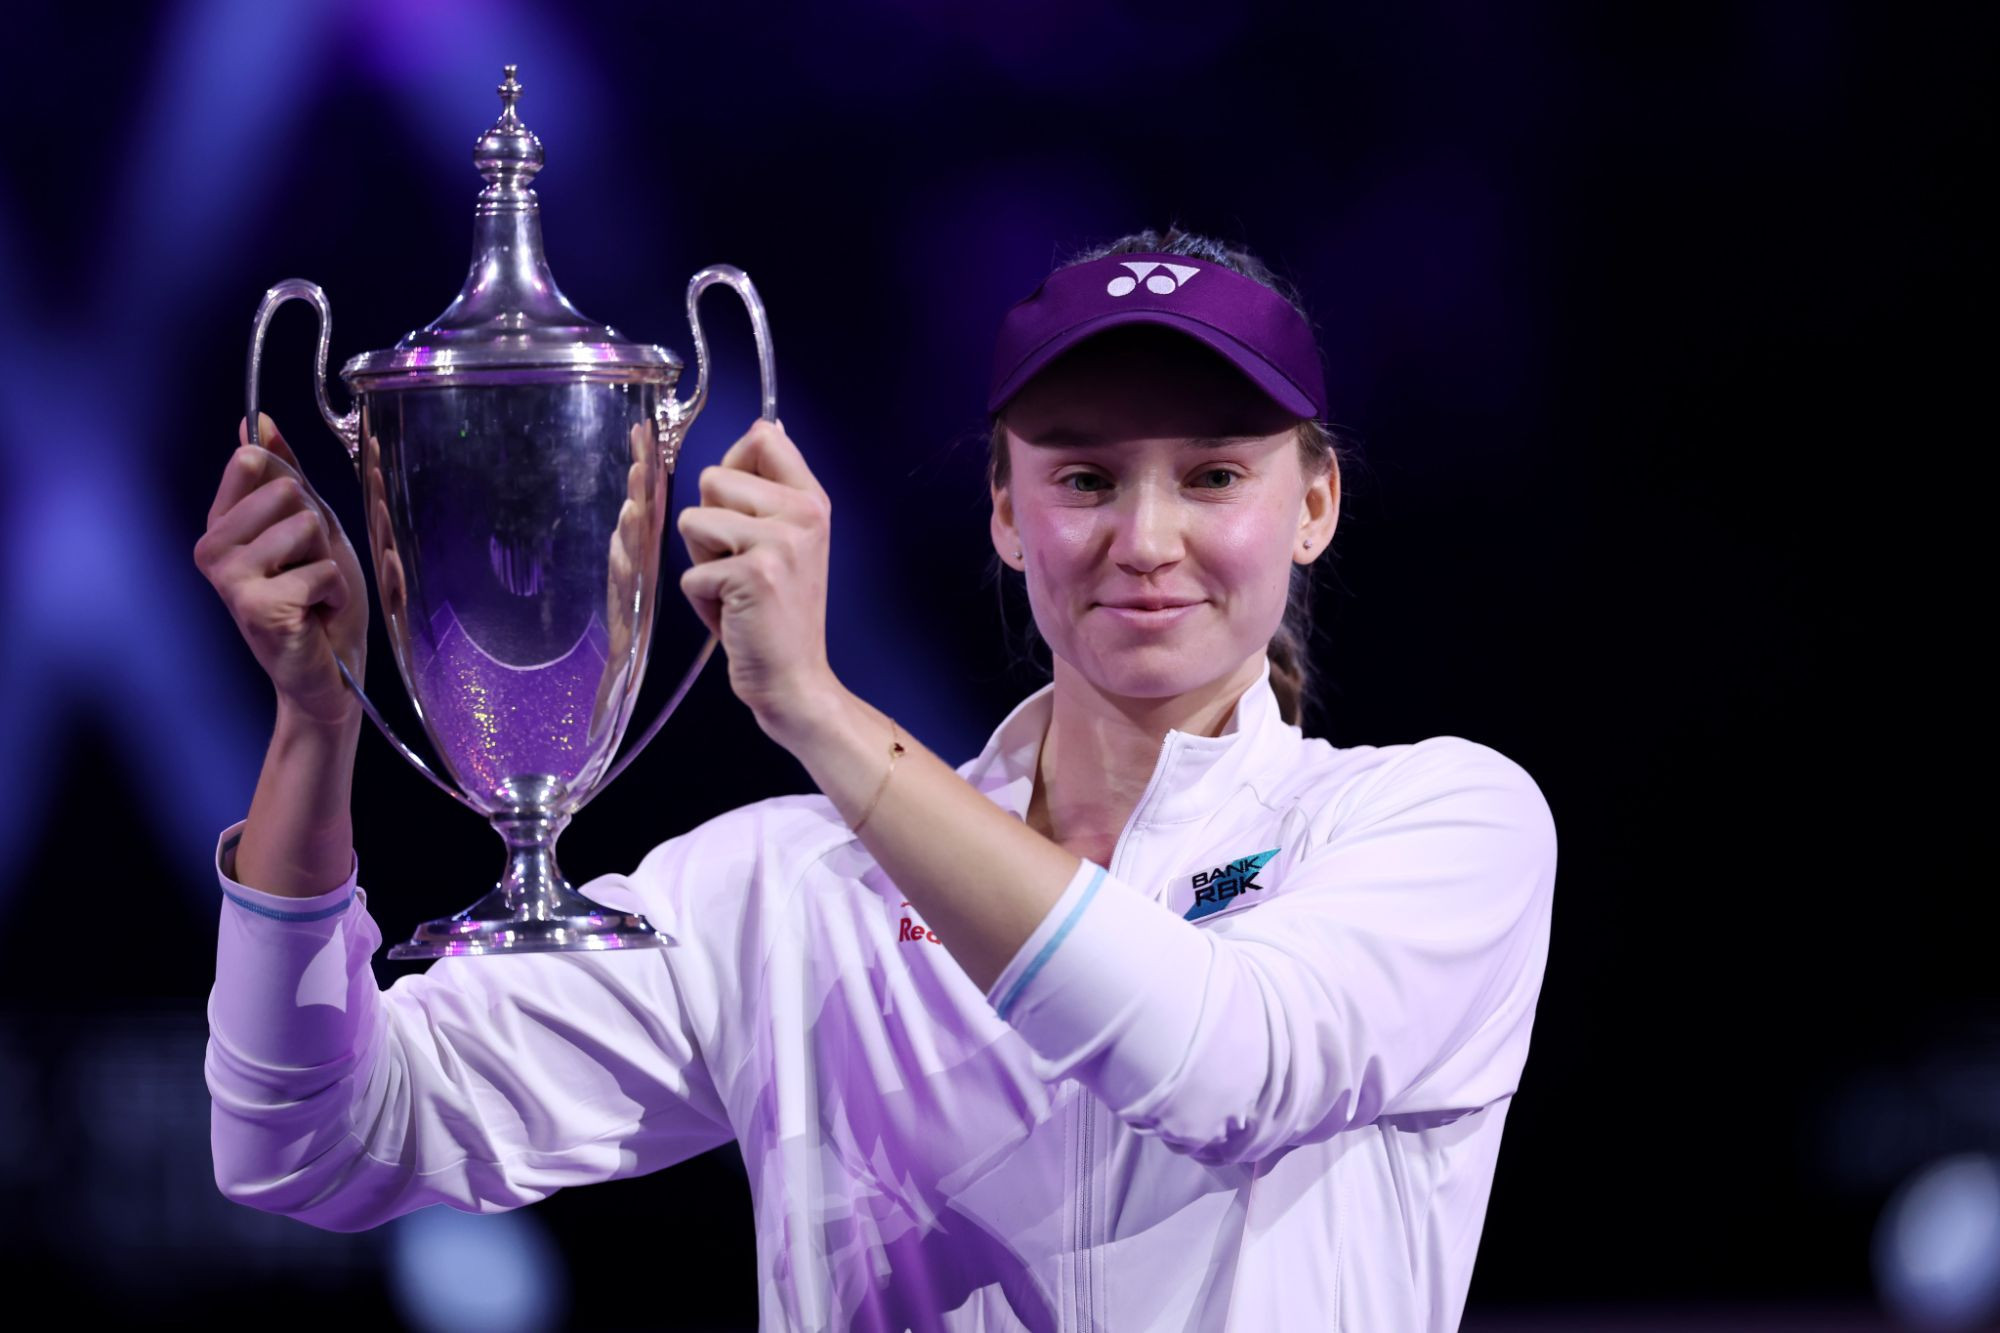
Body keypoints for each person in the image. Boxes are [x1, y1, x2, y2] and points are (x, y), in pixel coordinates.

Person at [194, 226, 1557, 1332]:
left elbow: (1219, 1064)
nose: (1147, 539)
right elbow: (311, 1140)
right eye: (1086, 478)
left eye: (1212, 475)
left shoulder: (1432, 827)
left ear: (1314, 505)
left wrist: (820, 711)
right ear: (1007, 512)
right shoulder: (790, 890)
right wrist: (316, 720)